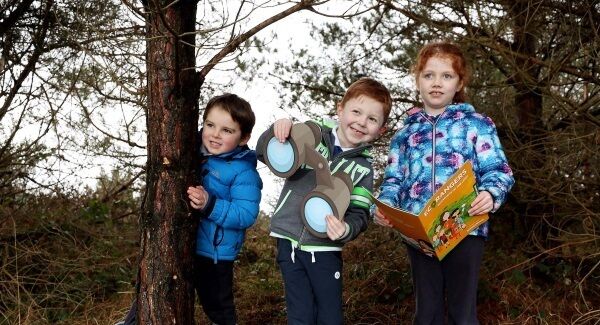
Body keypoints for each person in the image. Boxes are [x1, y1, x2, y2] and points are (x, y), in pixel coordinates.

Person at [374, 41, 514, 324]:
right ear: (418, 80)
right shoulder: (404, 135)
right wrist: (384, 207)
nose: (437, 83)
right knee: (426, 314)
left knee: (463, 314)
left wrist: (490, 193)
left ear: (459, 82)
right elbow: (393, 181)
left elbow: (498, 170)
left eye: (446, 76)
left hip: (465, 228)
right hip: (420, 236)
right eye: (429, 75)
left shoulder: (476, 124)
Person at [257, 77, 392, 325]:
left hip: (325, 249)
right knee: (300, 315)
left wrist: (346, 229)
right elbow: (265, 154)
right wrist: (278, 129)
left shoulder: (363, 169)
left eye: (372, 119)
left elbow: (360, 214)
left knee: (330, 316)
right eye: (356, 111)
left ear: (381, 130)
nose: (362, 122)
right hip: (289, 243)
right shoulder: (313, 134)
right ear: (340, 109)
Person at [119, 93, 262, 325]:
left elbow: (246, 214)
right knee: (155, 286)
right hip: (181, 241)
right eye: (210, 125)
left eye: (227, 130)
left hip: (214, 254)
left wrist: (210, 204)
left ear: (243, 138)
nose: (215, 134)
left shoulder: (243, 171)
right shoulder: (190, 150)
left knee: (218, 306)